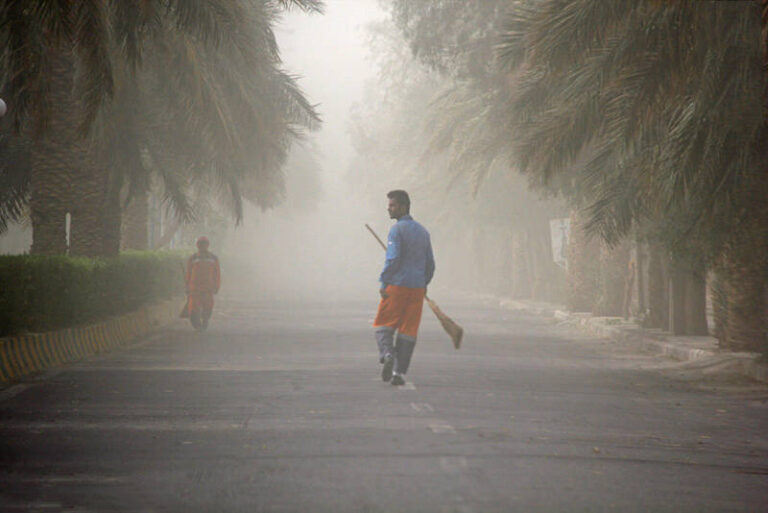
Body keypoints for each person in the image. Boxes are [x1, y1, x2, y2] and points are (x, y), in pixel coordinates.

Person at [373, 190, 435, 386]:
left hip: (397, 286)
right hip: (416, 289)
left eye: (392, 205)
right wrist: (424, 284)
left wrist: (384, 281)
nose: (389, 209)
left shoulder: (396, 230)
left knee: (383, 325)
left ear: (403, 207)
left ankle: (388, 354)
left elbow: (393, 258)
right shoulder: (423, 232)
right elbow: (430, 264)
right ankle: (398, 373)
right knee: (408, 331)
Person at [185, 236, 221, 330]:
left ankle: (205, 320)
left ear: (207, 245)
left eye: (204, 244)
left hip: (208, 288)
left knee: (208, 306)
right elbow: (188, 273)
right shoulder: (193, 258)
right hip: (195, 288)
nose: (202, 246)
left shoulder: (213, 258)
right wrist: (187, 286)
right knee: (193, 308)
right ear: (197, 245)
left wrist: (216, 286)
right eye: (200, 244)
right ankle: (196, 325)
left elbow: (217, 274)